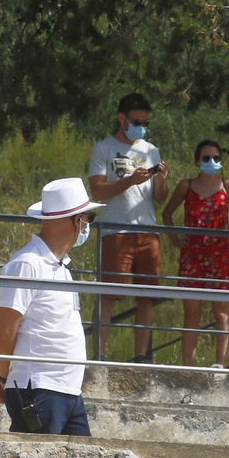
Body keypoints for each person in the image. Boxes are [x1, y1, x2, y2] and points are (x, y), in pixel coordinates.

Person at [0, 178, 106, 435]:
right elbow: (3, 332)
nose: (88, 225)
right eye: (88, 217)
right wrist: (7, 380)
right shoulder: (27, 264)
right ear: (75, 220)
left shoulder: (60, 267)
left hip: (67, 391)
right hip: (40, 390)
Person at [161, 140, 229, 367]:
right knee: (191, 313)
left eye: (216, 158)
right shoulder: (186, 186)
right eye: (206, 158)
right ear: (198, 161)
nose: (211, 162)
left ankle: (221, 366)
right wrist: (175, 238)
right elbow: (167, 213)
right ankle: (188, 367)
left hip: (220, 254)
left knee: (222, 312)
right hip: (192, 254)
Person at [87, 92, 168, 362]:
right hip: (115, 232)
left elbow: (160, 198)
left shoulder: (151, 150)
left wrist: (160, 181)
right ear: (121, 118)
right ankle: (98, 355)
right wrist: (128, 182)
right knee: (108, 295)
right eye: (136, 121)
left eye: (146, 123)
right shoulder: (104, 148)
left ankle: (142, 357)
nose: (141, 127)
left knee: (146, 297)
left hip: (148, 231)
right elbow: (97, 190)